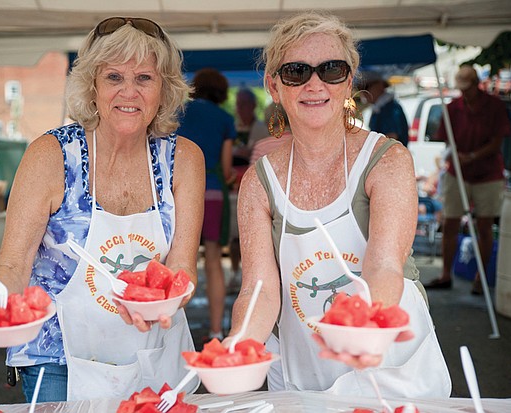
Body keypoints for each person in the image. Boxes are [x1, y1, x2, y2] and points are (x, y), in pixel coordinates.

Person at [0, 16, 204, 402]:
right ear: (92, 85)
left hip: (152, 353)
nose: (129, 91)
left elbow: (181, 267)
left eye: (144, 78)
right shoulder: (50, 156)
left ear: (165, 89)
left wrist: (168, 298)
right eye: (113, 77)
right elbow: (14, 264)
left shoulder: (184, 159)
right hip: (58, 358)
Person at [226, 10, 451, 397]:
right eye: (296, 71)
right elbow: (259, 291)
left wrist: (362, 333)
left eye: (331, 70)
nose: (314, 84)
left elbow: (383, 266)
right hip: (304, 372)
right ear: (274, 86)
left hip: (390, 367)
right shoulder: (258, 182)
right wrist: (236, 349)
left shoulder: (387, 160)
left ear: (348, 82)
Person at [424, 65, 510, 294]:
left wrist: (471, 156)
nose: (464, 93)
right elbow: (446, 140)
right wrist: (454, 156)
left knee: (484, 225)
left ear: (476, 85)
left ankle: (480, 278)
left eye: (468, 88)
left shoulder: (494, 106)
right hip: (458, 173)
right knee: (450, 221)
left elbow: (497, 141)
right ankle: (445, 275)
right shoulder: (453, 108)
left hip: (487, 173)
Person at [176, 68, 236, 340]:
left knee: (175, 261)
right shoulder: (225, 119)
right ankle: (216, 331)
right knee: (213, 260)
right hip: (211, 191)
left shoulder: (179, 113)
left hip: (177, 194)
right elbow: (225, 170)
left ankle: (172, 330)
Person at [227, 88, 271, 293]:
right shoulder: (232, 127)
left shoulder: (262, 128)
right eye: (239, 104)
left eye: (244, 104)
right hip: (233, 187)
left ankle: (251, 276)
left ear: (253, 105)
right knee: (234, 236)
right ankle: (236, 273)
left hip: (255, 189)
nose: (241, 108)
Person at [359, 71, 409, 147]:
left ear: (380, 85)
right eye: (360, 88)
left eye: (366, 87)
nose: (363, 92)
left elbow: (391, 139)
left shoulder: (390, 109)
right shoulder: (380, 109)